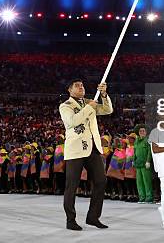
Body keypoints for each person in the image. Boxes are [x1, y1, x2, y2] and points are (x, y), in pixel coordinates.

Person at [59, 80, 112, 231]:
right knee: (72, 186)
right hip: (75, 149)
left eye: (82, 85)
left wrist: (103, 94)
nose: (81, 87)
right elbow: (72, 121)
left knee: (101, 181)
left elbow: (107, 110)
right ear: (70, 90)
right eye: (77, 85)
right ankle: (70, 220)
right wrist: (89, 107)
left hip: (93, 148)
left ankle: (93, 217)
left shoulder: (90, 102)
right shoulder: (65, 106)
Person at [133, 125, 153, 204]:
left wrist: (148, 161)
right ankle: (142, 197)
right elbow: (135, 151)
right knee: (139, 181)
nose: (142, 132)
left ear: (146, 132)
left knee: (147, 181)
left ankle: (149, 197)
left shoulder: (148, 140)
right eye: (140, 131)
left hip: (145, 164)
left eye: (143, 131)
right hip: (138, 164)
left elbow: (149, 151)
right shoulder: (136, 141)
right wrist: (133, 160)